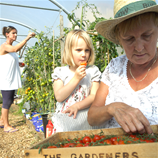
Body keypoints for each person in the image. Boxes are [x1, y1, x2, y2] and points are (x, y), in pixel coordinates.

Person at [88, 0, 158, 134]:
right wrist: (112, 108)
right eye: (129, 39)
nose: (138, 47)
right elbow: (92, 117)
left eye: (146, 36)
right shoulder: (114, 68)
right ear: (119, 39)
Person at [51, 29, 101, 132]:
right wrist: (76, 78)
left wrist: (77, 106)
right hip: (65, 119)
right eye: (79, 50)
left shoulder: (93, 71)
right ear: (69, 51)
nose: (83, 54)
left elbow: (94, 95)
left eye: (87, 50)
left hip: (85, 119)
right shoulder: (61, 72)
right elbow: (59, 96)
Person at [0, 26, 35, 132]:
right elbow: (15, 49)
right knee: (6, 101)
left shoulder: (9, 48)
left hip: (11, 78)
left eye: (16, 33)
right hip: (6, 79)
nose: (15, 35)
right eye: (13, 33)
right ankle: (6, 126)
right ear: (7, 34)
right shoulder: (4, 46)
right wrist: (27, 38)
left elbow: (7, 60)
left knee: (10, 100)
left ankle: (2, 121)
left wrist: (18, 63)